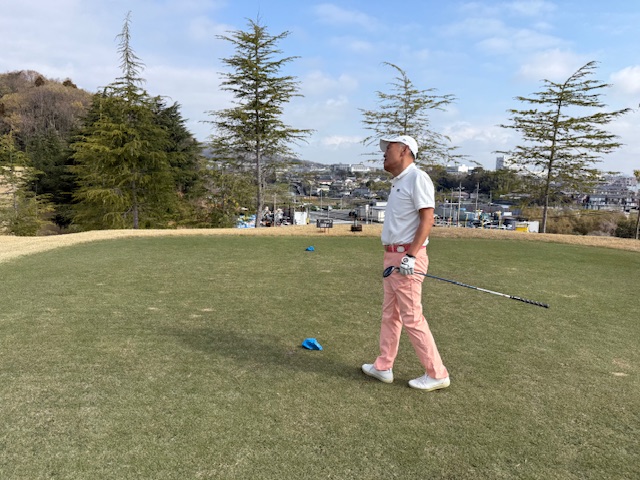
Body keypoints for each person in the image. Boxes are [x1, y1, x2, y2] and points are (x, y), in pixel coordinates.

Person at [361, 135, 450, 391]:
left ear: (405, 151)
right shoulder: (399, 182)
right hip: (392, 256)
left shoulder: (417, 177)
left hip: (407, 257)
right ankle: (383, 366)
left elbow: (427, 219)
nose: (384, 153)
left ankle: (437, 373)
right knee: (391, 314)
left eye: (389, 148)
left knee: (411, 316)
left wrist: (411, 255)